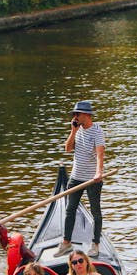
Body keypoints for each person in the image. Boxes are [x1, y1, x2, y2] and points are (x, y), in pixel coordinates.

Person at [53, 100, 105, 258]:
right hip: (76, 177)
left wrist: (99, 173)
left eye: (77, 114)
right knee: (69, 211)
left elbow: (100, 154)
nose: (75, 116)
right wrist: (73, 131)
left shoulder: (97, 131)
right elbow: (68, 149)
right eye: (74, 114)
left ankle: (95, 245)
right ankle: (66, 243)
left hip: (92, 179)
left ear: (87, 115)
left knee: (95, 211)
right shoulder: (78, 130)